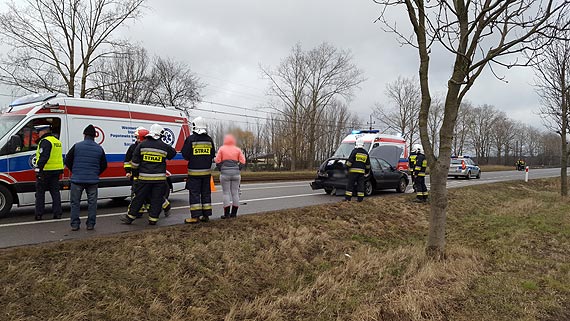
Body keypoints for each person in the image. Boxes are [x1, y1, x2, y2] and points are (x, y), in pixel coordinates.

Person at [121, 124, 176, 225]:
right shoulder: (164, 146)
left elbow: (134, 163)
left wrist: (136, 174)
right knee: (156, 199)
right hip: (159, 179)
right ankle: (153, 219)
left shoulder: (142, 145)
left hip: (144, 178)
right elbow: (173, 154)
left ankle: (130, 217)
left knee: (138, 197)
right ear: (160, 134)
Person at [64, 125, 107, 231]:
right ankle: (90, 224)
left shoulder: (77, 146)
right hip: (92, 180)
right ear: (94, 136)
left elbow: (68, 160)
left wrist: (75, 171)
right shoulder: (99, 148)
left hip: (77, 179)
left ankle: (75, 224)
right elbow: (104, 165)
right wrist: (95, 173)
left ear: (84, 135)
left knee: (75, 203)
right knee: (92, 203)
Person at [181, 116, 216, 224]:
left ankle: (195, 217)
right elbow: (212, 154)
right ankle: (206, 215)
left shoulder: (191, 139)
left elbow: (185, 154)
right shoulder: (209, 139)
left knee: (194, 193)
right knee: (206, 193)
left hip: (194, 173)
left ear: (194, 126)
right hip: (206, 173)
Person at [34, 124, 64, 220]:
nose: (38, 134)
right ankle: (57, 213)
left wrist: (38, 168)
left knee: (40, 193)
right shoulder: (56, 141)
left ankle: (39, 214)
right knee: (55, 192)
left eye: (39, 132)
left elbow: (44, 157)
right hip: (56, 170)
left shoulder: (45, 141)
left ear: (43, 131)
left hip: (46, 171)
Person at [215, 134, 246, 219]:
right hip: (236, 174)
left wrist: (221, 168)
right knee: (235, 193)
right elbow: (243, 161)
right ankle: (234, 214)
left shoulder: (222, 149)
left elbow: (217, 160)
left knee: (226, 193)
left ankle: (226, 214)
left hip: (225, 174)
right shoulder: (237, 149)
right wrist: (238, 168)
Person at [124, 126, 150, 217]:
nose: (137, 139)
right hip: (135, 174)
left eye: (138, 137)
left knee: (145, 194)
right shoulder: (133, 147)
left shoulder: (147, 147)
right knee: (136, 193)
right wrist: (128, 171)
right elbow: (127, 160)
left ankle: (147, 211)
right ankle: (139, 211)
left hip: (144, 174)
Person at [345, 138, 371, 202]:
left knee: (350, 185)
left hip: (353, 172)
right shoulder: (365, 153)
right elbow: (368, 165)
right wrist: (367, 172)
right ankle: (360, 199)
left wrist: (346, 168)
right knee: (360, 185)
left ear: (356, 143)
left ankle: (348, 199)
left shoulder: (354, 151)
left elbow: (350, 162)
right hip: (361, 172)